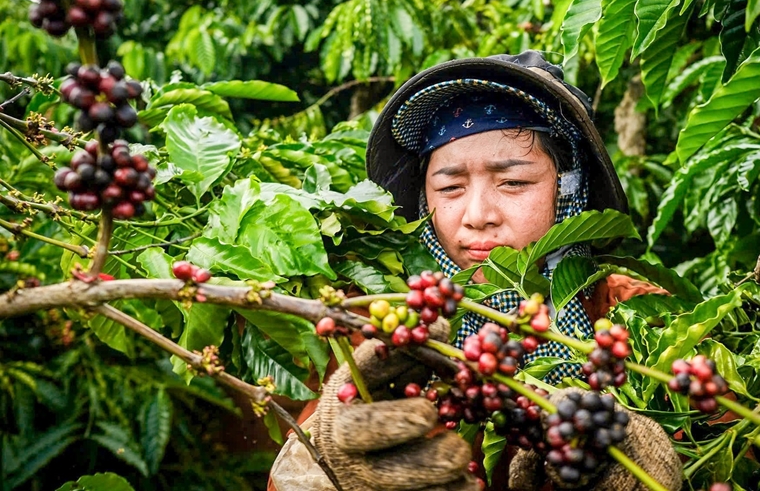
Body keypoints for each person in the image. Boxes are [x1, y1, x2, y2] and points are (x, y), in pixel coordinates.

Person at [269, 51, 681, 490]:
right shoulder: (382, 325)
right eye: (450, 187)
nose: (478, 216)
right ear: (425, 199)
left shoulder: (637, 317)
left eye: (513, 183)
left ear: (567, 187)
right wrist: (329, 461)